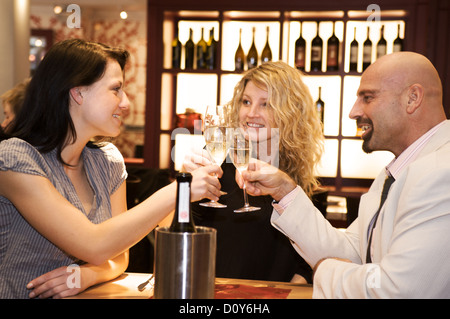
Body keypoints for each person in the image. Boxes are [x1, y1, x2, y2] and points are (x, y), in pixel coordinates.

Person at [0, 39, 222, 299]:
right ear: (78, 92)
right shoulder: (15, 159)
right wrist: (179, 189)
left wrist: (86, 276)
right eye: (116, 89)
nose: (126, 103)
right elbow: (93, 244)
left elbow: (119, 254)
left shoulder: (107, 161)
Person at [242, 52, 450, 298]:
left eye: (367, 97)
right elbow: (352, 250)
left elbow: (396, 290)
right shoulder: (394, 173)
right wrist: (284, 192)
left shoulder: (441, 173)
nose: (353, 111)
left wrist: (323, 270)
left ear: (412, 98)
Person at [182, 61, 323, 283]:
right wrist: (185, 188)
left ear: (290, 112)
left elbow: (309, 256)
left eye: (266, 104)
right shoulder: (217, 158)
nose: (251, 113)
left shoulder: (299, 172)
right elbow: (185, 229)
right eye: (246, 102)